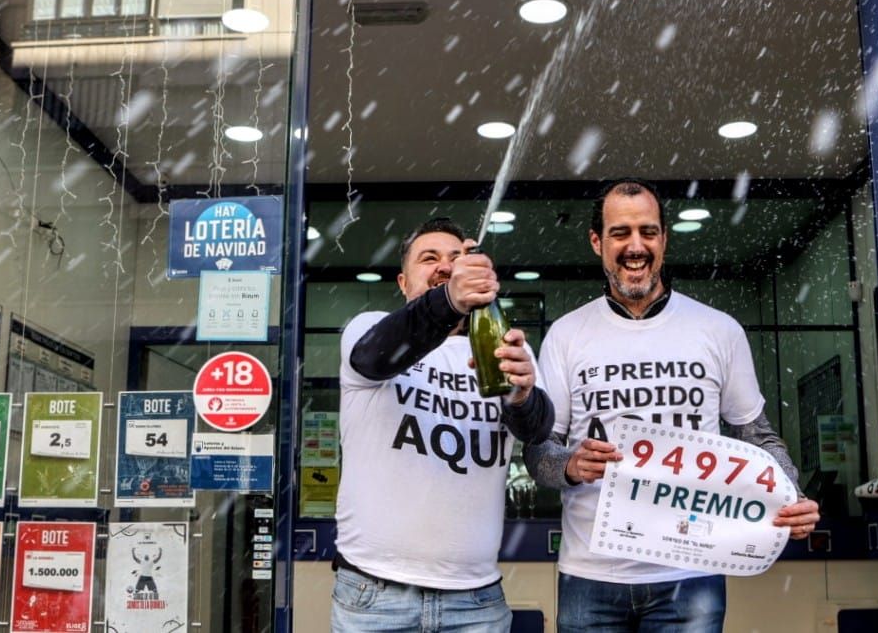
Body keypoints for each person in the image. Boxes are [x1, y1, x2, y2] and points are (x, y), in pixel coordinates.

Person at [524, 178, 820, 632]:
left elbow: (756, 436)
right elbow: (538, 453)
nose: (635, 246)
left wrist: (789, 494)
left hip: (692, 573)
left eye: (647, 231)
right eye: (620, 233)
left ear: (664, 239)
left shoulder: (718, 330)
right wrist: (570, 464)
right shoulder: (566, 335)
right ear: (597, 242)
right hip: (590, 575)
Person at [332, 217, 554, 632]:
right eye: (429, 258)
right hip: (374, 595)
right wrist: (449, 300)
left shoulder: (502, 346)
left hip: (476, 600)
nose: (445, 266)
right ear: (402, 281)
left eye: (456, 258)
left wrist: (523, 396)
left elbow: (537, 432)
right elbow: (376, 357)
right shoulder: (371, 328)